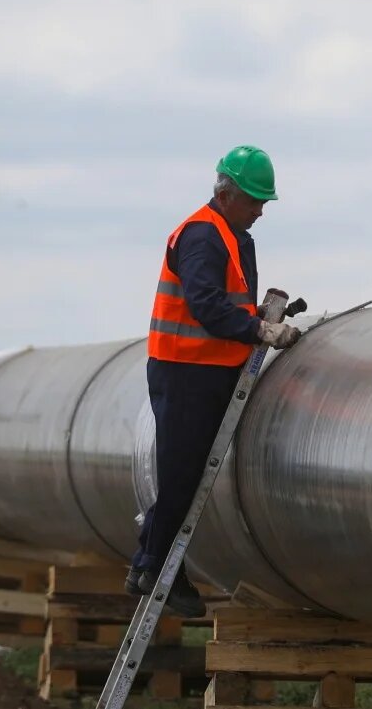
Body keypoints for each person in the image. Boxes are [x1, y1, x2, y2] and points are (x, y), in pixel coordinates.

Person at [129, 145, 302, 617]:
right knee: (183, 477)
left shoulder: (231, 235)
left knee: (185, 474)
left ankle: (149, 562)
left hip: (206, 370)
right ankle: (153, 567)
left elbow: (228, 300)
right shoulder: (203, 235)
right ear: (226, 194)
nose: (260, 210)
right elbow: (206, 306)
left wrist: (255, 318)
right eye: (254, 201)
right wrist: (259, 329)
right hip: (187, 372)